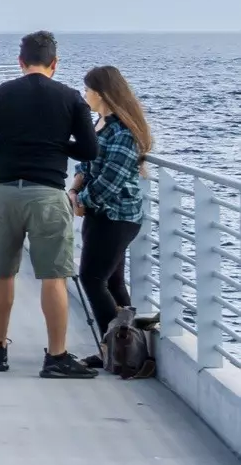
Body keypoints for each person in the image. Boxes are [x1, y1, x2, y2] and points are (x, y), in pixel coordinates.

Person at [0, 30, 100, 378]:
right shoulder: (70, 98)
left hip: (4, 192)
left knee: (2, 272)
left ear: (20, 62)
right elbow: (89, 150)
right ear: (55, 63)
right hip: (47, 194)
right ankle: (56, 357)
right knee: (54, 276)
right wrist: (54, 146)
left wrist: (10, 148)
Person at [72, 65, 154, 353]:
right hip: (101, 215)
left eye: (88, 90)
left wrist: (82, 201)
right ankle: (127, 349)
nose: (85, 95)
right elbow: (86, 164)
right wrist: (75, 190)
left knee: (92, 279)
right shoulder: (99, 124)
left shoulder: (122, 131)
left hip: (118, 217)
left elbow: (111, 180)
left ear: (101, 93)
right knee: (113, 281)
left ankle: (112, 349)